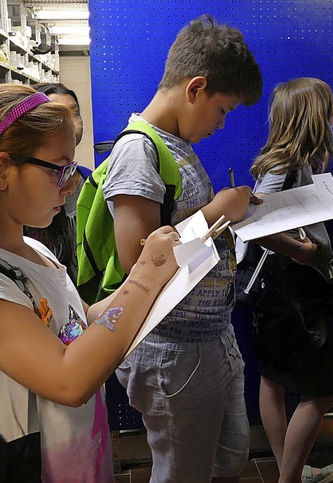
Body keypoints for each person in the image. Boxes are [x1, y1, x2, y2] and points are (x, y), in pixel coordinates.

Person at [0, 84, 180, 482]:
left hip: (76, 458)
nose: (72, 183)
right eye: (59, 168)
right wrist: (143, 278)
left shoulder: (30, 248)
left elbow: (76, 323)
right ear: (1, 171)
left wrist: (153, 280)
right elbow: (68, 378)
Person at [105, 15, 262, 482]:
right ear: (195, 88)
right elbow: (139, 264)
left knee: (228, 458)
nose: (221, 124)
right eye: (223, 110)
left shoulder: (177, 145)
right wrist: (218, 210)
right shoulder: (139, 151)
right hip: (171, 350)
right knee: (181, 472)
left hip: (210, 336)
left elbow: (184, 233)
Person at [249, 78, 333, 483]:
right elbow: (253, 224)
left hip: (276, 291)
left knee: (272, 379)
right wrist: (303, 251)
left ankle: (292, 470)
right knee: (321, 390)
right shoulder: (286, 164)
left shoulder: (285, 161)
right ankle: (290, 479)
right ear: (313, 116)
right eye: (328, 108)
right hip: (293, 290)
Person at [24, 82, 88, 284]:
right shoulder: (23, 204)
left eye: (74, 113)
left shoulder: (92, 183)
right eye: (57, 114)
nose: (70, 122)